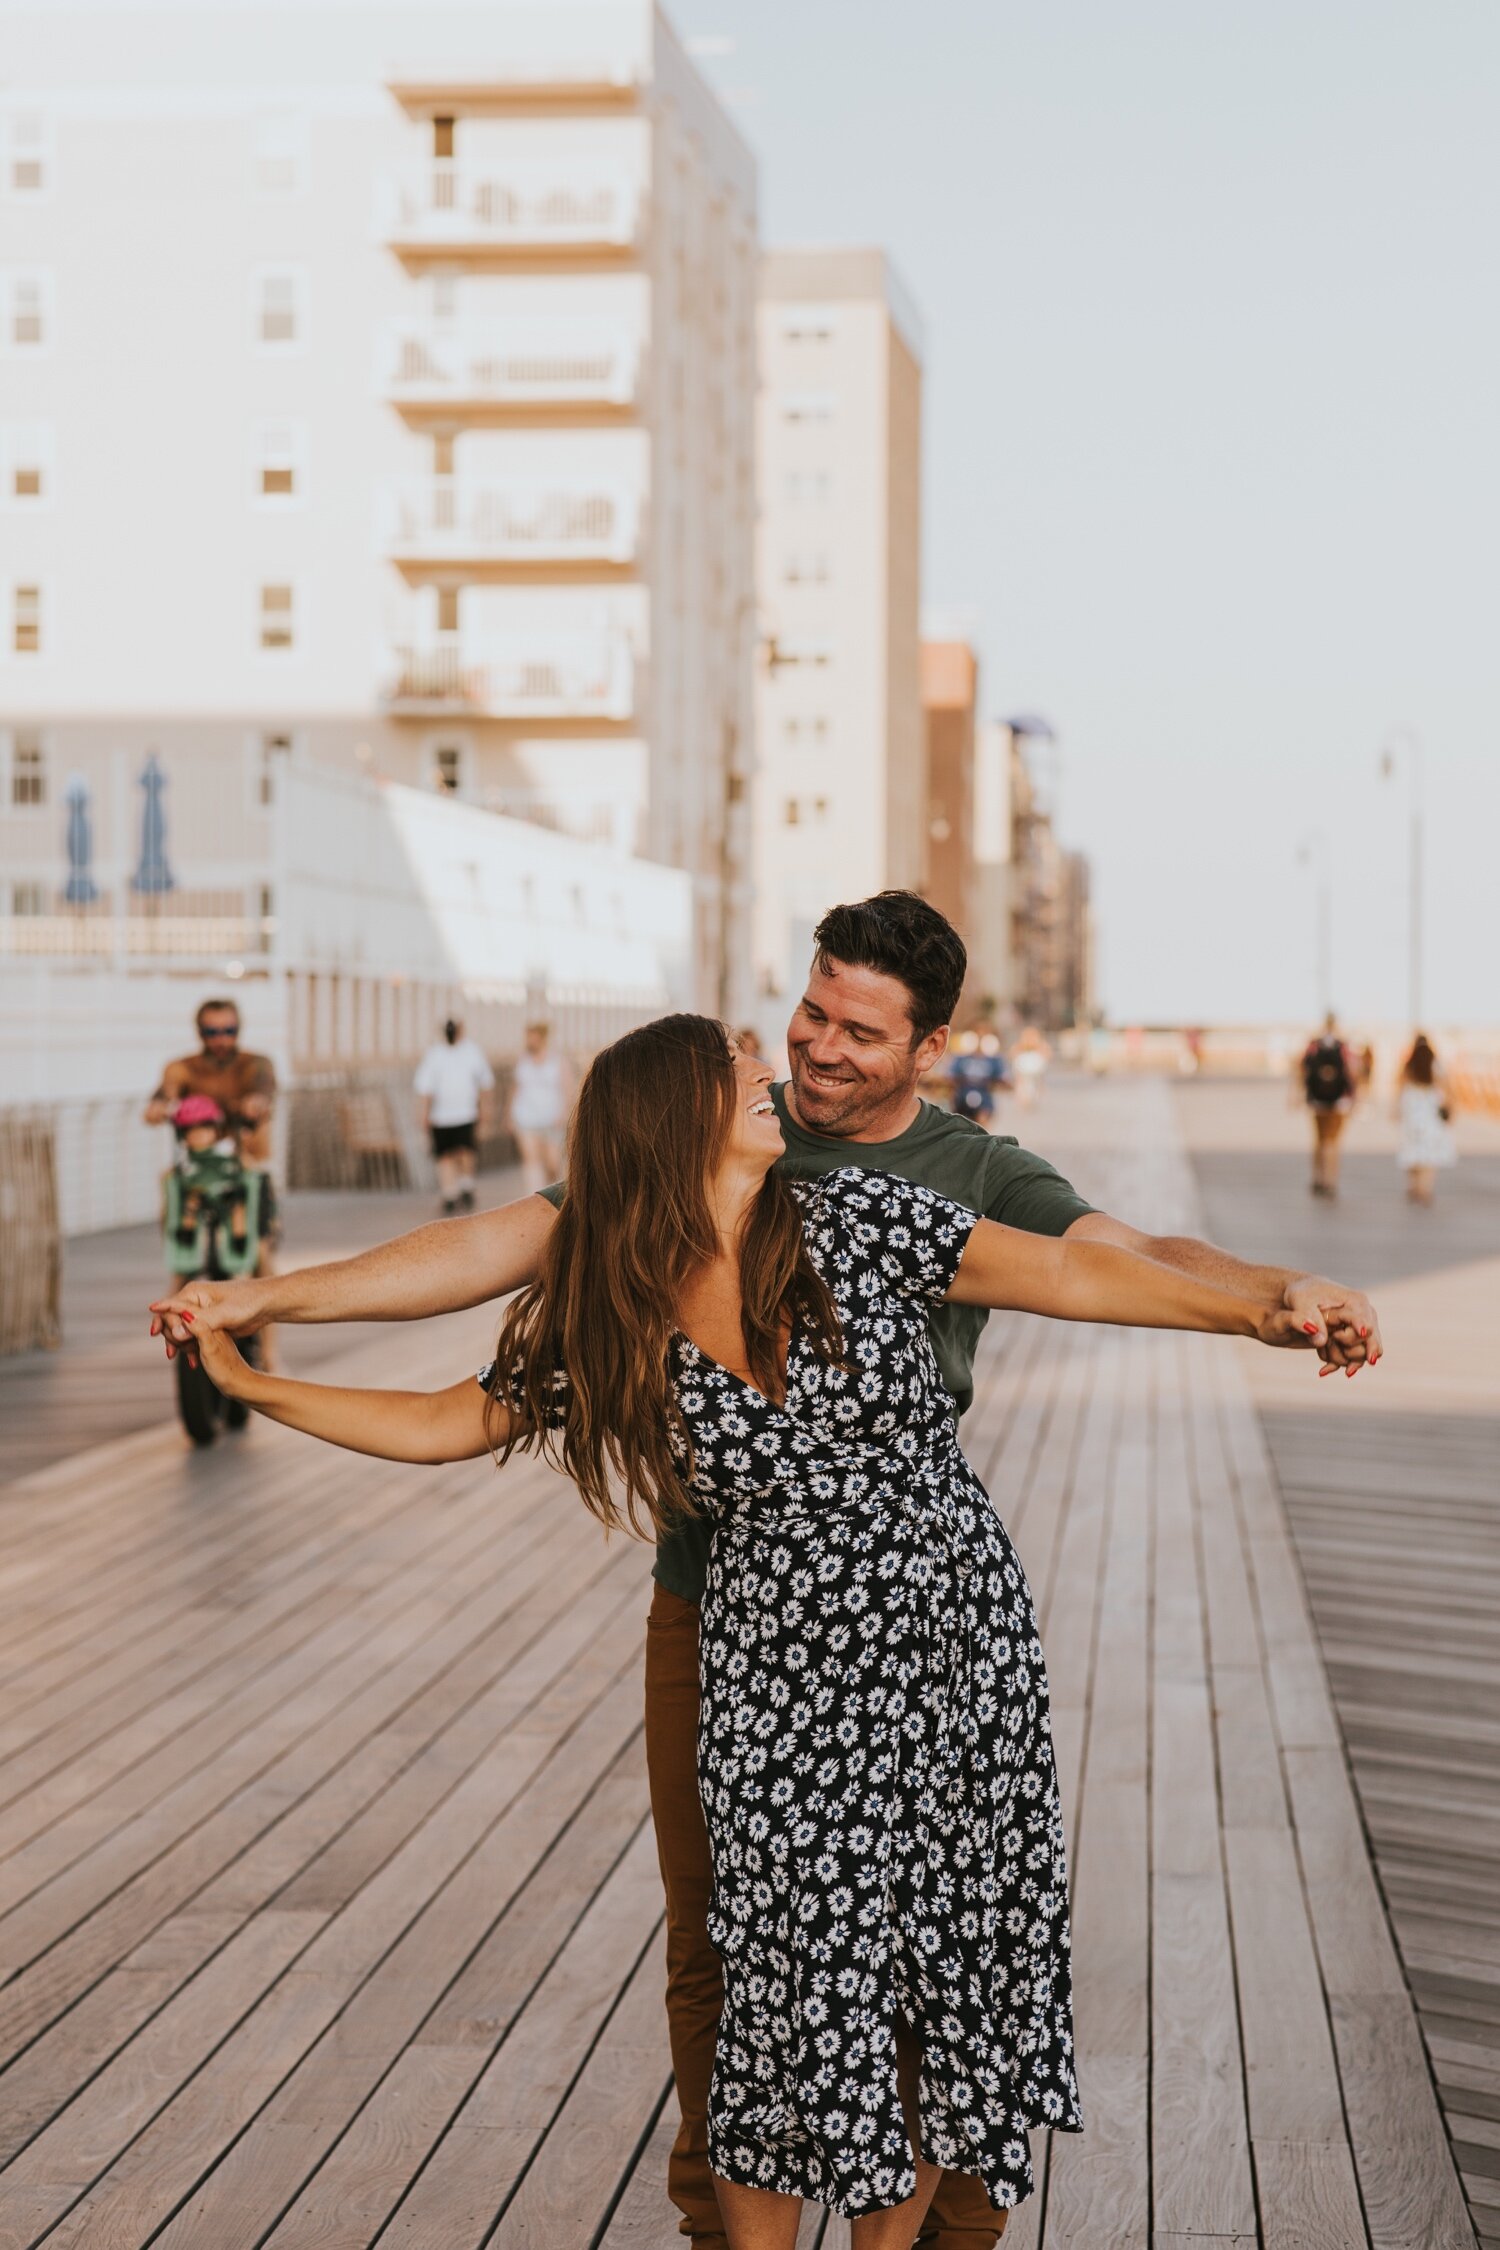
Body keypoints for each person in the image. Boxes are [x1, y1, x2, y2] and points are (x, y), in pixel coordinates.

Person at [150, 891, 1382, 2250]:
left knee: (930, 1963)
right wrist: (260, 1345)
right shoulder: (623, 1275)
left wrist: (1271, 1300)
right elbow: (459, 1386)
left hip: (936, 1652)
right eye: (804, 1018)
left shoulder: (890, 1203)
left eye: (856, 1030)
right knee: (747, 1971)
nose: (804, 1057)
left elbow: (1100, 1268)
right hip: (756, 1660)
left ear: (926, 1045)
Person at [414, 1018, 494, 1214]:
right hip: (441, 1116)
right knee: (444, 1156)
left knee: (465, 1152)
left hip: (465, 1113)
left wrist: (485, 1108)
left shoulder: (472, 1052)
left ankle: (466, 1185)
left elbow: (485, 1082)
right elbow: (425, 1087)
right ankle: (449, 1193)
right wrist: (423, 1113)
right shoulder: (434, 1054)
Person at [1297, 1011, 1357, 1199]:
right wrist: (1355, 1097)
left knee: (1319, 1139)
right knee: (1333, 1142)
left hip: (1317, 1100)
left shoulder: (1314, 1045)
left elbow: (1302, 1068)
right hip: (1338, 1101)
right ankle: (1330, 1180)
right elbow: (1353, 1072)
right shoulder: (1343, 1046)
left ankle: (1318, 1177)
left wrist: (1300, 1094)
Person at [508, 1020, 570, 1198]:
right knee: (531, 1159)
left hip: (551, 1118)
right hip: (526, 1118)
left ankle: (550, 1192)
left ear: (542, 1038)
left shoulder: (558, 1061)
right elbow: (515, 1088)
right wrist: (510, 1116)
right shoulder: (522, 1061)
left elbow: (567, 1088)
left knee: (553, 1162)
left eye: (532, 1037)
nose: (529, 1041)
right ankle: (533, 1197)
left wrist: (564, 1112)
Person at [1395, 1033, 1455, 1205]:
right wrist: (1449, 1110)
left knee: (1412, 1148)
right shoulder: (1435, 1065)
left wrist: (1397, 1108)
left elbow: (1399, 1084)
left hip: (1412, 1109)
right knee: (1429, 1150)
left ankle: (1414, 1186)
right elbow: (1447, 1087)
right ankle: (1425, 1188)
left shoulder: (1409, 1064)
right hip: (1429, 1109)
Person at [1008, 1025, 1051, 1111]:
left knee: (1032, 1084)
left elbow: (1047, 1054)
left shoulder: (1039, 1045)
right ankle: (1025, 1099)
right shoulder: (1020, 1045)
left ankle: (1031, 1096)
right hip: (1024, 1069)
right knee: (1024, 1084)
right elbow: (1013, 1054)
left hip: (1034, 1069)